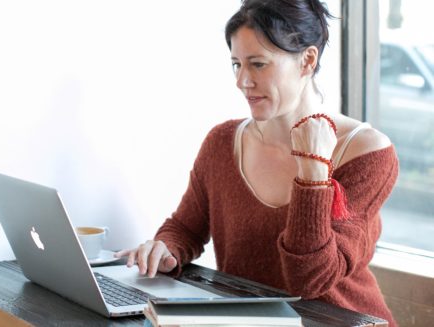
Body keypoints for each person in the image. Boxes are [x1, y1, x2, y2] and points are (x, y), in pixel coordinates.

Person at [115, 0, 398, 325]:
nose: (242, 81)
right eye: (237, 64)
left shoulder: (367, 153)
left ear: (307, 60)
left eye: (258, 64)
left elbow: (310, 281)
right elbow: (185, 228)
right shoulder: (222, 142)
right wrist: (166, 249)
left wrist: (314, 173)